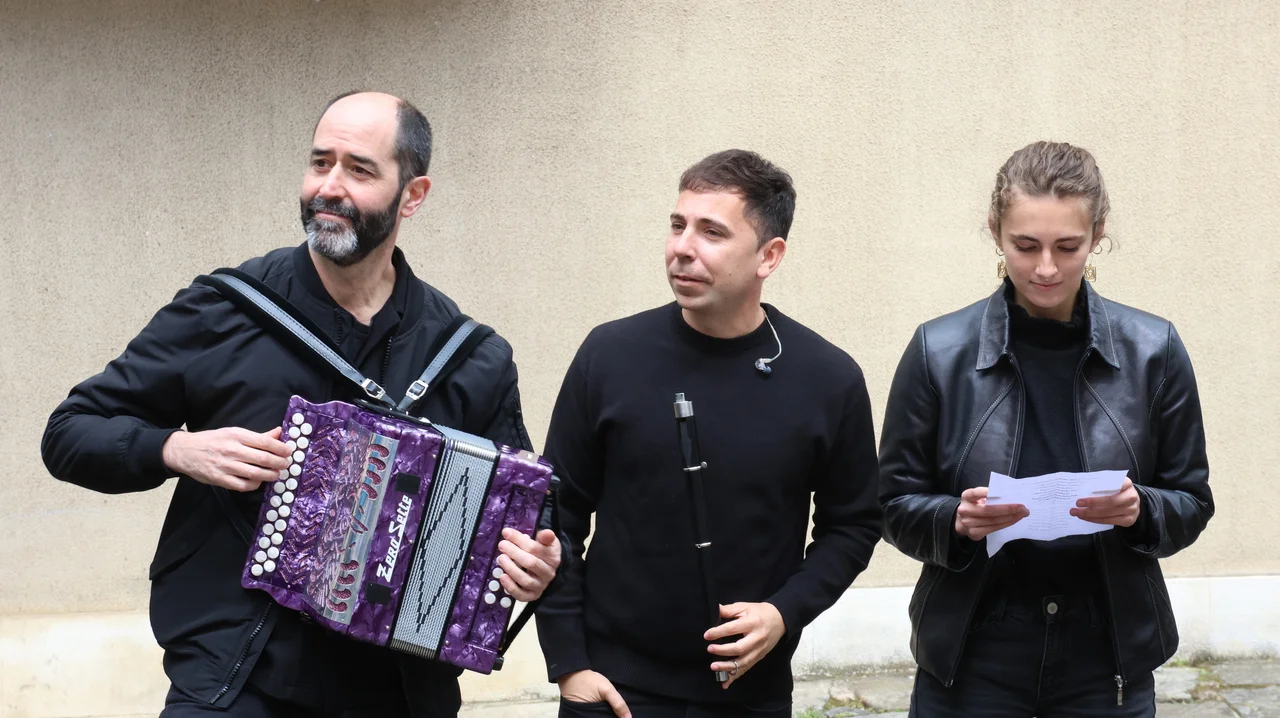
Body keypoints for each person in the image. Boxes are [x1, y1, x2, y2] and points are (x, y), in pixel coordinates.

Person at [41, 91, 563, 718]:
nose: (329, 187)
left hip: (397, 690)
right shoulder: (225, 310)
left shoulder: (469, 355)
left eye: (359, 169)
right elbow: (69, 433)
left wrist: (534, 560)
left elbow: (525, 509)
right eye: (320, 163)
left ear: (413, 195)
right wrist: (178, 449)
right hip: (237, 677)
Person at [535, 149, 883, 718]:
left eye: (712, 232)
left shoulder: (828, 378)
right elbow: (554, 516)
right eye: (678, 225)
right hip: (612, 690)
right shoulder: (610, 354)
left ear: (769, 256)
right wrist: (569, 664)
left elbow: (854, 525)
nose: (683, 247)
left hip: (750, 695)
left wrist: (785, 611)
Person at [878, 141, 1214, 717]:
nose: (1046, 269)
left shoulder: (1153, 349)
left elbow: (1192, 500)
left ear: (1098, 234)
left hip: (1105, 651)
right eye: (1026, 245)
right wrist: (955, 520)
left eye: (1068, 246)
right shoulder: (939, 350)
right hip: (974, 649)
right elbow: (890, 504)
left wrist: (1141, 509)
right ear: (995, 231)